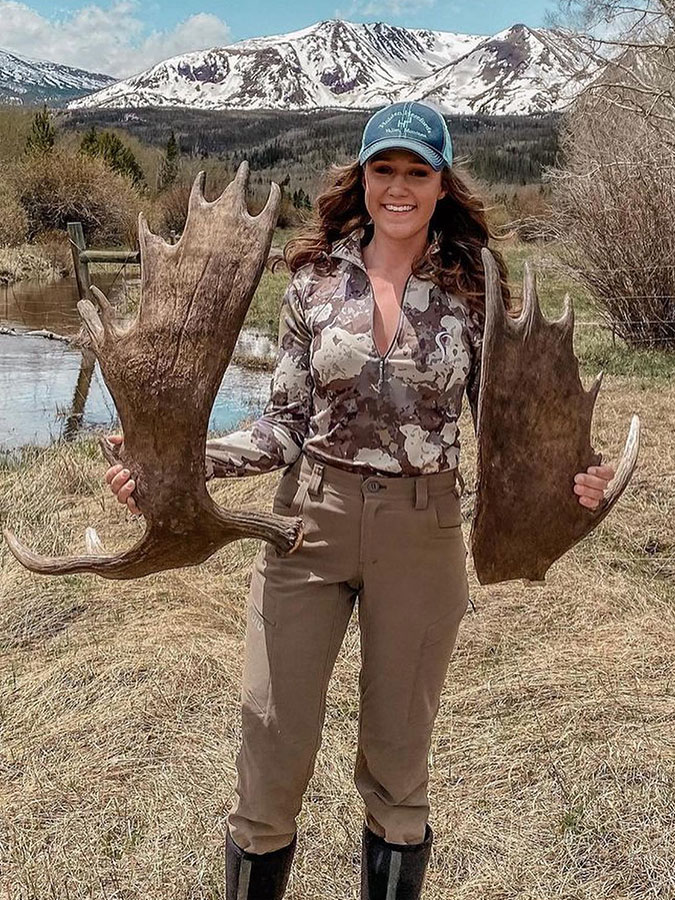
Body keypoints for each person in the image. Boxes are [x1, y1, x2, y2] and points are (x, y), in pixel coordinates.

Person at [105, 101, 615, 900]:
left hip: (425, 534)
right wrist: (185, 463)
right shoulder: (311, 284)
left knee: (398, 766)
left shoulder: (475, 291)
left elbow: (508, 429)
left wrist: (571, 483)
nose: (400, 187)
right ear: (364, 177)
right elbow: (283, 423)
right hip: (307, 523)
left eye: (418, 171)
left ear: (442, 184)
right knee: (269, 749)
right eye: (386, 170)